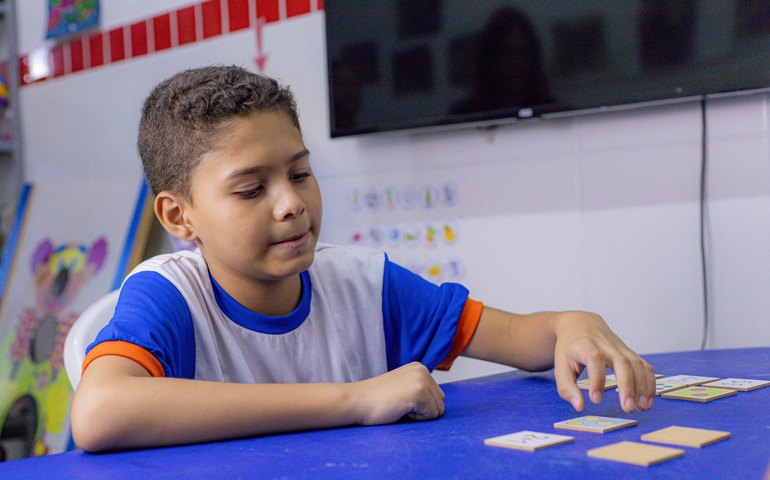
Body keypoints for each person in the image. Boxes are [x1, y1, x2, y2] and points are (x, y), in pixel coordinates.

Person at [70, 65, 655, 452]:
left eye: (300, 173)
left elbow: (521, 336)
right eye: (252, 190)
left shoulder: (363, 285)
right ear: (179, 217)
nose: (292, 204)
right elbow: (98, 414)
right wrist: (356, 398)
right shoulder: (168, 293)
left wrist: (569, 325)